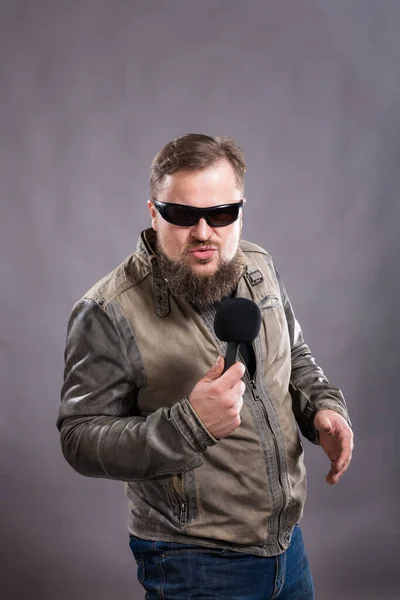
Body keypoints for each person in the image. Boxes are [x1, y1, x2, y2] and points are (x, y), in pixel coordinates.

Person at [57, 133, 354, 600]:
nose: (203, 232)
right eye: (181, 214)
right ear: (154, 213)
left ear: (239, 210)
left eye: (220, 214)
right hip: (193, 560)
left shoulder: (258, 265)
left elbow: (294, 359)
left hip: (287, 545)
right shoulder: (107, 310)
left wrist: (323, 410)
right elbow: (79, 439)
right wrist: (189, 426)